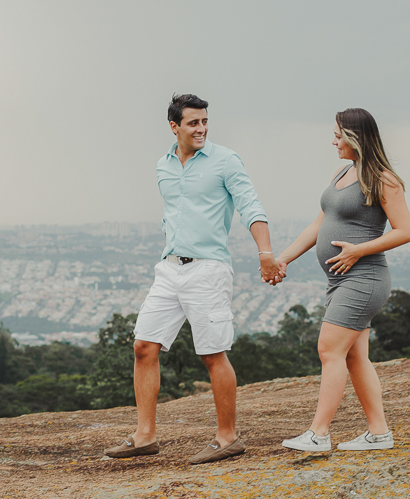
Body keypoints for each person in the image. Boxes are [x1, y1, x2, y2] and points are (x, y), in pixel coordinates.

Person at [104, 93, 282, 465]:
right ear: (175, 127)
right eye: (193, 123)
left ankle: (227, 437)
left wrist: (265, 255)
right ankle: (145, 436)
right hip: (169, 267)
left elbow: (251, 206)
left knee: (212, 353)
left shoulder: (225, 160)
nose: (201, 128)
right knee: (143, 346)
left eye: (204, 122)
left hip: (208, 268)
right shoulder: (163, 165)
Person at [278, 108, 410, 452]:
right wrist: (283, 258)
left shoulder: (384, 178)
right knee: (354, 357)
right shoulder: (343, 172)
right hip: (341, 281)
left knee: (329, 349)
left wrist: (358, 251)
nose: (334, 140)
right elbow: (317, 226)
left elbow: (405, 231)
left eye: (339, 134)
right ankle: (379, 433)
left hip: (365, 278)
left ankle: (319, 433)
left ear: (356, 137)